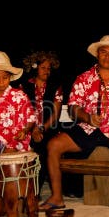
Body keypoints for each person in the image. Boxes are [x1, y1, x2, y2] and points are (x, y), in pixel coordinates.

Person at [41, 35, 109, 217]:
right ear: (97, 54)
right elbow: (73, 108)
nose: (106, 57)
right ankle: (57, 197)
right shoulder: (84, 78)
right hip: (88, 129)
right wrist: (87, 117)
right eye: (103, 52)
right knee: (53, 145)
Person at [21, 50, 63, 190]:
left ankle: (36, 190)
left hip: (47, 128)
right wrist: (32, 130)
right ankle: (24, 187)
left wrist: (42, 129)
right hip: (27, 128)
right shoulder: (24, 86)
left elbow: (55, 114)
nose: (47, 71)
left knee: (45, 148)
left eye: (49, 68)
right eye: (43, 68)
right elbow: (22, 111)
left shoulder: (55, 87)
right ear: (35, 68)